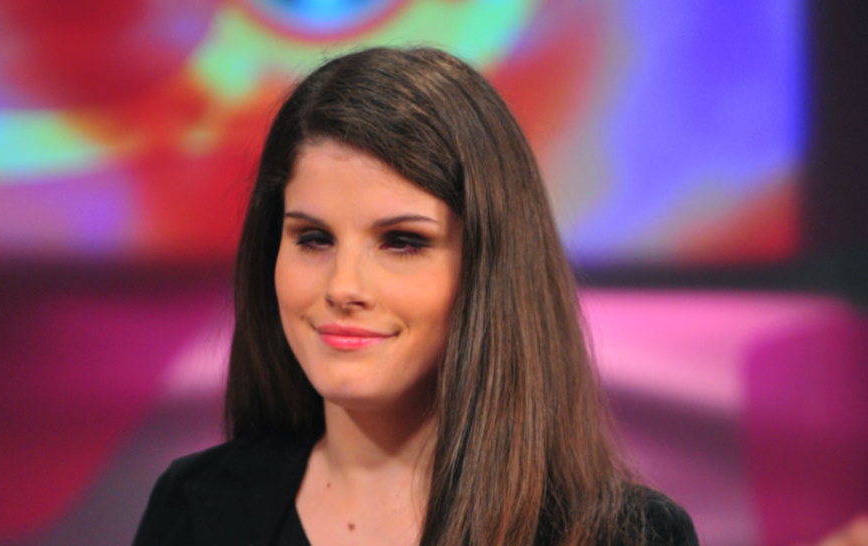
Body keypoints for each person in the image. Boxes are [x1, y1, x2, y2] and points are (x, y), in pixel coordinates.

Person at [133, 46, 698, 546]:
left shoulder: (626, 537)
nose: (343, 287)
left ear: (489, 268)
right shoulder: (194, 507)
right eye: (313, 239)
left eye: (402, 242)